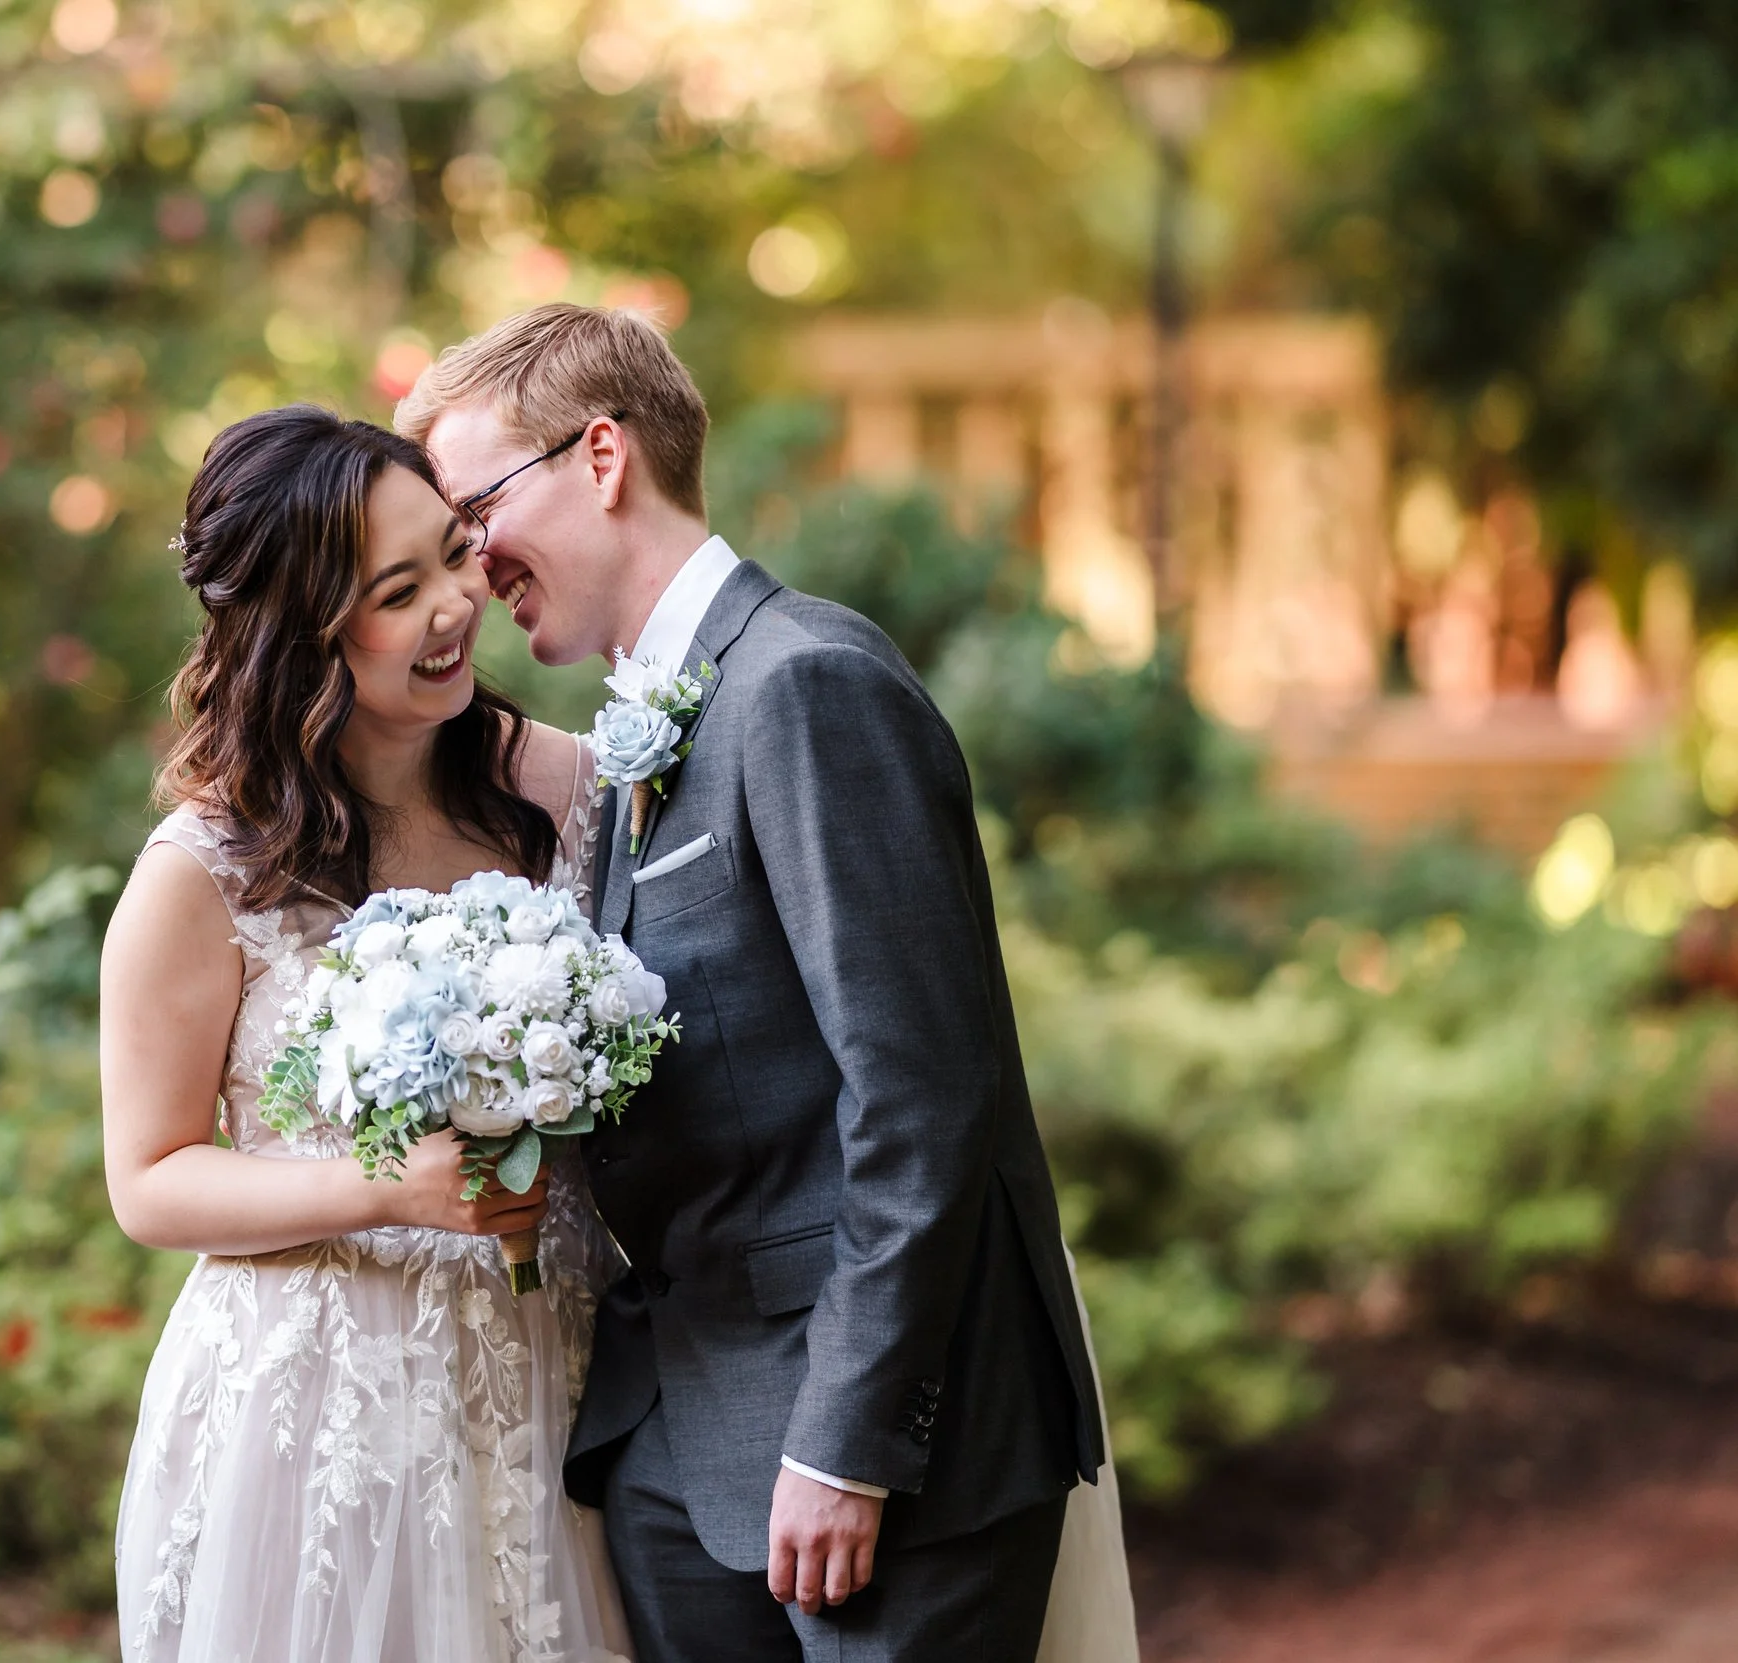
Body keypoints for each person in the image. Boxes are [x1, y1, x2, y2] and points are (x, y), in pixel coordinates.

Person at [398, 303, 1138, 1663]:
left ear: (601, 455)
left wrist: (853, 1441)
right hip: (683, 1433)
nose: (469, 561)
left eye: (475, 508)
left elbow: (924, 1095)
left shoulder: (803, 684)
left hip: (874, 1450)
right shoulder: (635, 733)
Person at [101, 405, 635, 1663]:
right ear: (303, 636)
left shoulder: (565, 791)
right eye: (401, 590)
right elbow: (150, 1179)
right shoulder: (202, 875)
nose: (459, 603)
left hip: (562, 1371)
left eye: (455, 552)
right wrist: (383, 1185)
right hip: (326, 1414)